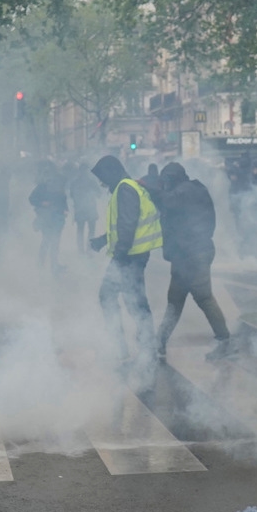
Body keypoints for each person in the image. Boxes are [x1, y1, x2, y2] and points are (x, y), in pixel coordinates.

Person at [154, 163, 232, 361]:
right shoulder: (196, 188)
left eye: (166, 181)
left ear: (172, 178)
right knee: (175, 300)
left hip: (193, 254)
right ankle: (159, 342)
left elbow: (167, 202)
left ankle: (225, 342)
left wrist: (149, 186)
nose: (164, 185)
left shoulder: (183, 192)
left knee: (203, 297)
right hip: (188, 254)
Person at [90, 155, 161, 366]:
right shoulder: (128, 187)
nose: (102, 184)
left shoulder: (125, 189)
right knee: (135, 301)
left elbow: (128, 224)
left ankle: (126, 347)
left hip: (129, 256)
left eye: (102, 178)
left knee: (114, 298)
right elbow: (126, 223)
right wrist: (103, 240)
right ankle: (144, 347)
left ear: (111, 173)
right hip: (133, 255)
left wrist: (119, 256)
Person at [29, 164, 68, 275]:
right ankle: (41, 264)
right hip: (46, 218)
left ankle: (54, 265)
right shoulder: (41, 187)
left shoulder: (59, 187)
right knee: (46, 240)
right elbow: (31, 199)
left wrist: (65, 210)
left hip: (58, 218)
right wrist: (42, 203)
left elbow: (63, 199)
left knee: (55, 243)